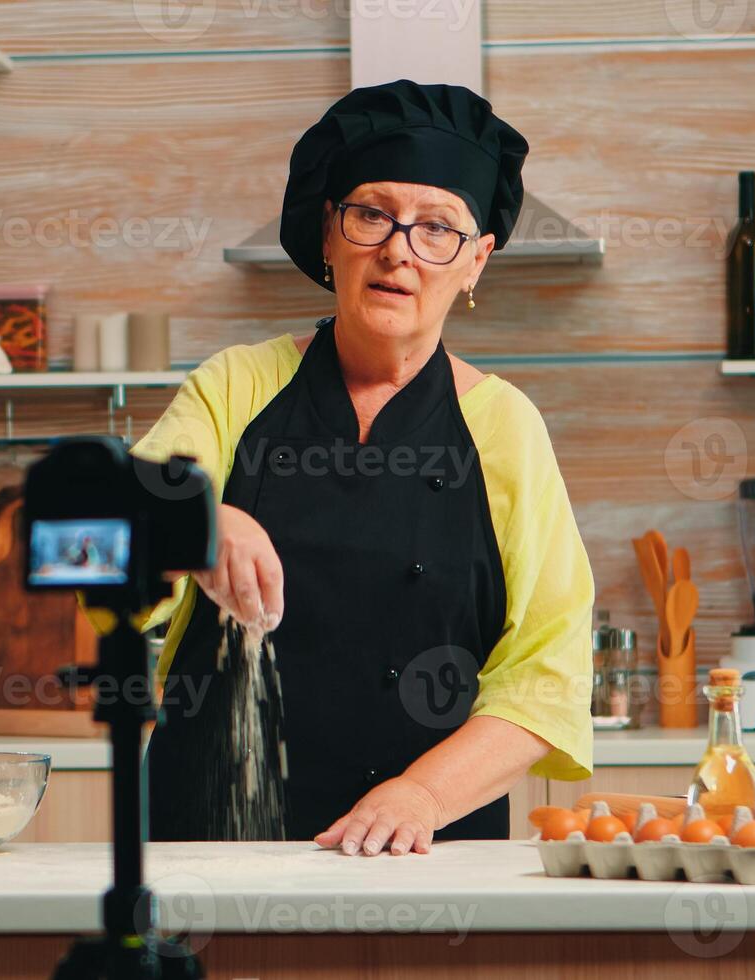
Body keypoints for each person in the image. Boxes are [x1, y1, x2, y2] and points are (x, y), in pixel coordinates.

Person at [135, 79, 594, 854]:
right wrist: (199, 516)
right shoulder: (235, 386)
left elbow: (548, 672)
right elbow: (105, 527)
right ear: (328, 232)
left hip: (424, 851)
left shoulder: (506, 428)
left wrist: (422, 794)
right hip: (209, 842)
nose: (398, 251)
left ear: (477, 261)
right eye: (372, 214)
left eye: (438, 229)